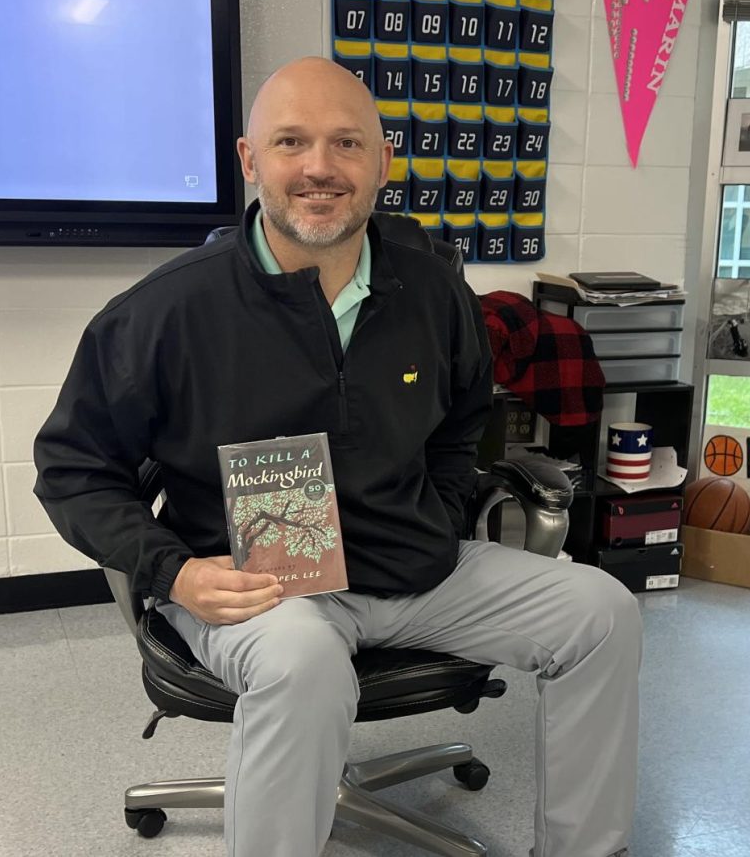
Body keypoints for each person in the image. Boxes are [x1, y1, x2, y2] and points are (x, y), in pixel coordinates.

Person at [33, 57, 640, 857]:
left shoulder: (432, 293)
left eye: (346, 144)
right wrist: (175, 573)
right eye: (291, 142)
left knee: (602, 612)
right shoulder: (163, 314)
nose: (320, 167)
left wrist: (445, 512)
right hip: (249, 586)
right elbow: (72, 469)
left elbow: (464, 421)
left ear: (382, 161)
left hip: (413, 566)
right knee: (302, 659)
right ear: (252, 162)